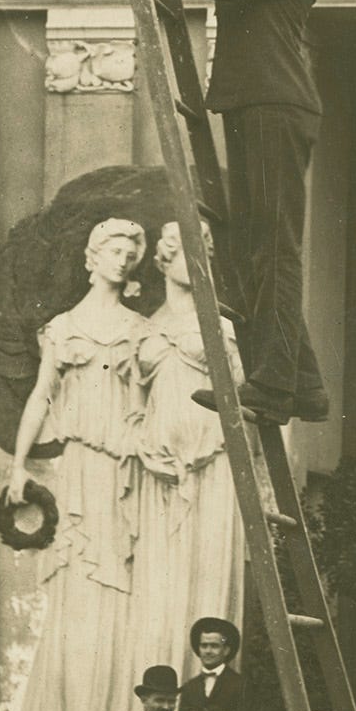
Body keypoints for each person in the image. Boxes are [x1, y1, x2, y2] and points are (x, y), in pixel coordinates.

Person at [133, 0, 356, 426]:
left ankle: (271, 387)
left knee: (271, 251)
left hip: (272, 107)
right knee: (263, 248)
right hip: (263, 107)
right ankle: (303, 386)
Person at [5, 217, 150, 711]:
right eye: (113, 249)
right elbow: (41, 397)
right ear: (92, 257)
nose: (122, 259)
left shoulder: (141, 330)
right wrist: (19, 465)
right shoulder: (63, 327)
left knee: (118, 586)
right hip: (80, 467)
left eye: (130, 252)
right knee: (77, 585)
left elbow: (149, 405)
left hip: (123, 471)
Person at [129, 221, 244, 671]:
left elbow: (235, 390)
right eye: (182, 251)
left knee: (206, 570)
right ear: (164, 257)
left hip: (211, 460)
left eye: (204, 252)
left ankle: (205, 685)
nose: (195, 262)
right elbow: (132, 401)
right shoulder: (144, 326)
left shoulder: (217, 324)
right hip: (157, 467)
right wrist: (143, 444)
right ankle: (158, 684)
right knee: (161, 579)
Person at [172, 616, 251, 711]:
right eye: (204, 646)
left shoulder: (241, 685)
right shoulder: (190, 687)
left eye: (214, 646)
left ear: (226, 650)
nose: (208, 651)